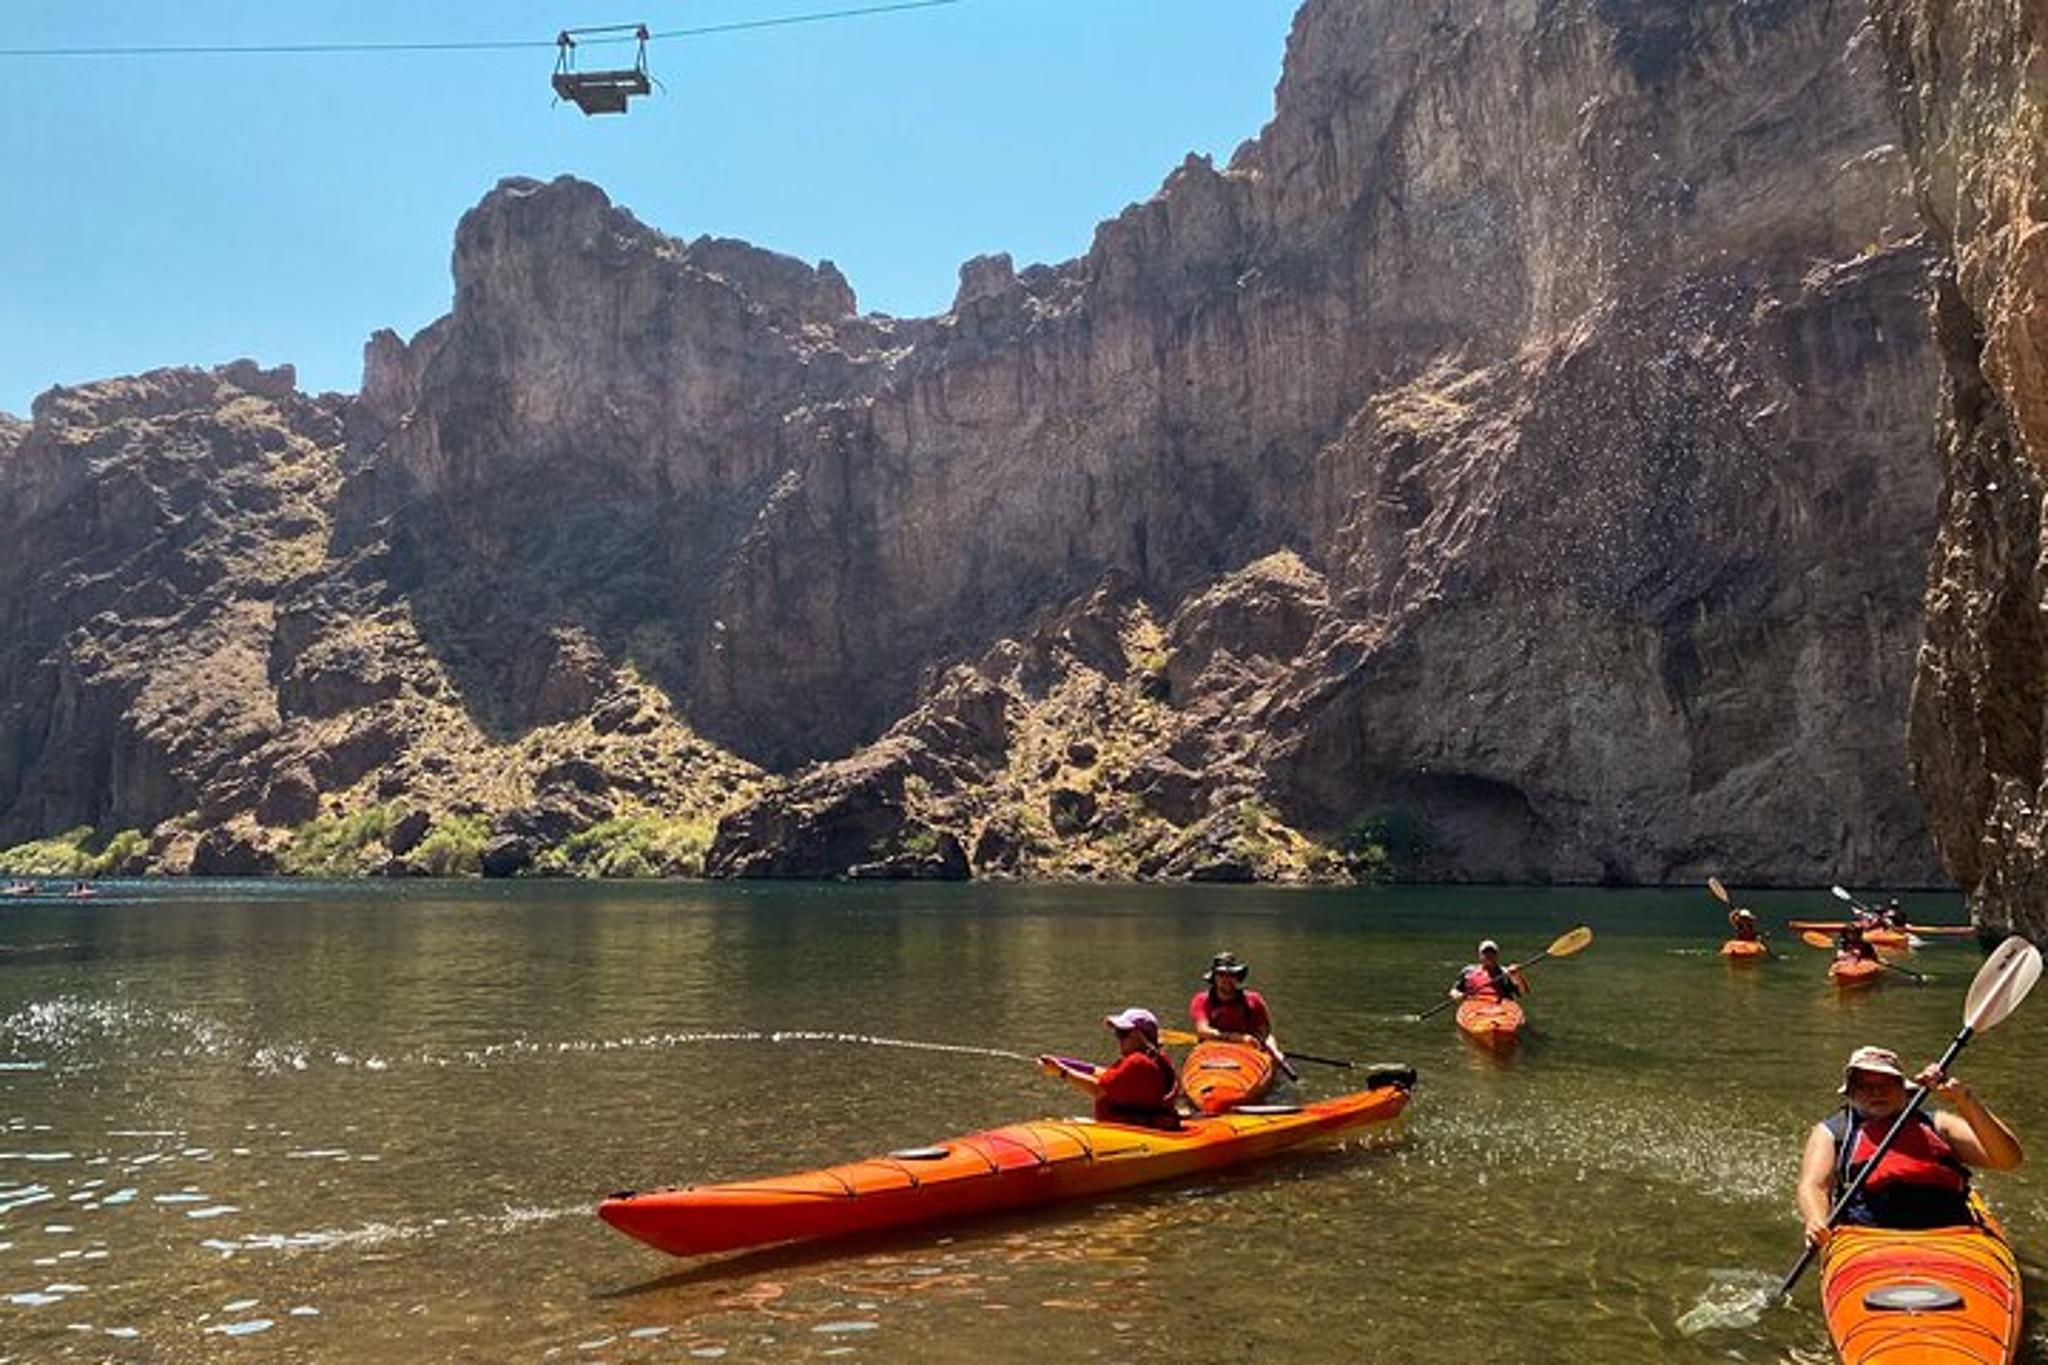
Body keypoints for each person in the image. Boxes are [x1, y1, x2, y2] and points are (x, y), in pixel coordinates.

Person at [1797, 1045, 2022, 1245]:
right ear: (1851, 1092)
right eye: (1865, 1086)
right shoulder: (1833, 1133)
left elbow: (2008, 1160)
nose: (1877, 1092)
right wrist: (1816, 1220)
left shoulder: (1939, 1124)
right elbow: (1815, 1185)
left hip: (1952, 1230)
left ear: (1904, 1091)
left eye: (1887, 1084)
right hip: (1870, 1234)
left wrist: (1964, 1100)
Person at [1038, 1008, 1181, 1130]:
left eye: (1123, 1034)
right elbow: (1104, 1074)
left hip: (1136, 1135)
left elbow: (1097, 1090)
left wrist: (1062, 1072)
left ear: (1140, 1036)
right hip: (1143, 1128)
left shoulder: (1137, 1062)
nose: (1118, 1039)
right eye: (1118, 1033)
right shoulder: (1153, 1058)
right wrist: (1065, 1064)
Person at [1189, 951, 1286, 1069]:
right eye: (1221, 974)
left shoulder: (1254, 999)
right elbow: (1203, 1031)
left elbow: (1265, 1034)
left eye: (1231, 975)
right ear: (1214, 978)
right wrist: (1237, 1038)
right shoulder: (1201, 1000)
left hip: (1248, 1051)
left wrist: (1275, 1052)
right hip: (1212, 1049)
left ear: (1237, 977)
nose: (1226, 979)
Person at [1449, 939, 1529, 1005]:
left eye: (1492, 953)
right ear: (1480, 955)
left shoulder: (1505, 972)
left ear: (1497, 955)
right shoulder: (1468, 971)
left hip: (1500, 1006)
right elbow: (1454, 990)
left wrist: (1517, 975)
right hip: (1475, 1005)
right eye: (1486, 953)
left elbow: (1524, 992)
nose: (1489, 956)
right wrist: (1457, 995)